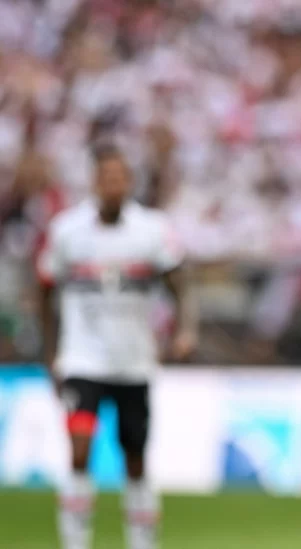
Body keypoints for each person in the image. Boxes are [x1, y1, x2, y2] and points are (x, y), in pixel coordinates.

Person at [38, 143, 198, 549]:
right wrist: (50, 355)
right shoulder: (66, 230)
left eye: (120, 177)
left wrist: (184, 328)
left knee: (136, 460)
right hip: (82, 360)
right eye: (106, 177)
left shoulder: (152, 229)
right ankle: (75, 543)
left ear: (128, 182)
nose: (113, 185)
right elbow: (44, 291)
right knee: (79, 451)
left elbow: (179, 279)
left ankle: (141, 542)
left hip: (134, 363)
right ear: (95, 181)